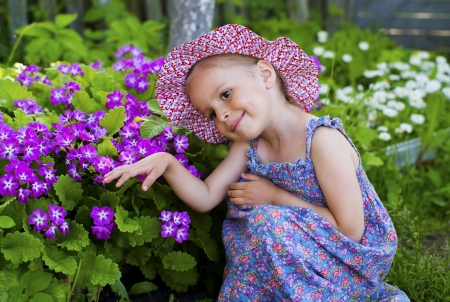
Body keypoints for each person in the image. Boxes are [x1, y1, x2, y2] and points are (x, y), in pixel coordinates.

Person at [103, 24, 409, 301]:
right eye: (211, 113)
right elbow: (206, 196)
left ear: (265, 75)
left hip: (349, 262)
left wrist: (274, 197)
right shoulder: (248, 144)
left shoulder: (321, 140)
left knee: (264, 220)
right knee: (255, 225)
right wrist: (167, 161)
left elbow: (350, 230)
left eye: (225, 94)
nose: (220, 114)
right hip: (293, 255)